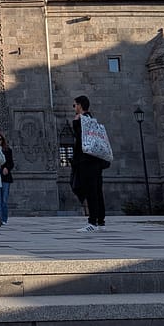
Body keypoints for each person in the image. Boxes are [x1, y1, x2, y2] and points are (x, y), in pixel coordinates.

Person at [71, 94, 107, 231]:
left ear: (80, 105)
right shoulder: (93, 120)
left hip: (87, 161)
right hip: (96, 160)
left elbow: (81, 139)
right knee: (97, 190)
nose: (74, 108)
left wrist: (75, 122)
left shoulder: (82, 120)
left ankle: (92, 222)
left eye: (75, 105)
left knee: (91, 191)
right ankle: (101, 221)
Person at [0, 132, 14, 222]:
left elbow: (11, 163)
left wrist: (7, 168)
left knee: (4, 199)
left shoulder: (7, 150)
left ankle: (4, 218)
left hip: (5, 177)